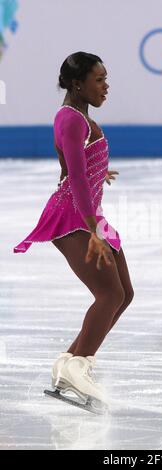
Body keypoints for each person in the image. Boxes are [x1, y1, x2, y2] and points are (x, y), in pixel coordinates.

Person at [13, 52, 134, 408]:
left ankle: (68, 362)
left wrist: (100, 173)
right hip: (73, 218)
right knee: (109, 295)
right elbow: (75, 179)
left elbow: (75, 168)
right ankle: (80, 366)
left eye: (106, 78)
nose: (106, 86)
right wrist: (95, 229)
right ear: (78, 84)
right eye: (100, 80)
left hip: (88, 212)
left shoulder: (81, 117)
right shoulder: (70, 119)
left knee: (124, 293)